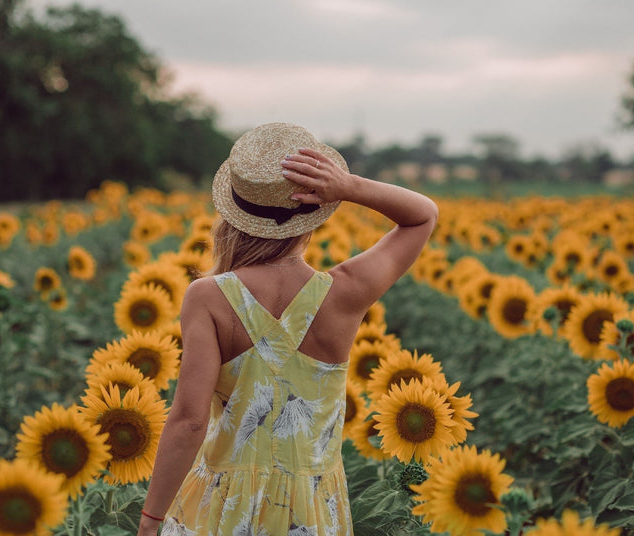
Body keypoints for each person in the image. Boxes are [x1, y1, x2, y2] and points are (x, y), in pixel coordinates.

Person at [137, 122, 438, 536]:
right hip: (312, 509)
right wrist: (348, 187)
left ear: (232, 216)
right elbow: (423, 217)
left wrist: (151, 519)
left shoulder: (208, 297)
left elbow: (189, 421)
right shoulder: (345, 293)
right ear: (314, 214)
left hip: (226, 506)